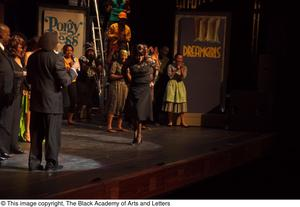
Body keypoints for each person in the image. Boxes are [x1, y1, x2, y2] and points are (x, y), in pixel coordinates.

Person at [26, 31, 77, 171]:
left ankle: (34, 163)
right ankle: (51, 163)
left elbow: (28, 80)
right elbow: (65, 81)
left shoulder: (32, 57)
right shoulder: (56, 59)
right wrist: (73, 70)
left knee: (36, 135)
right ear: (53, 43)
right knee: (52, 135)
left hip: (37, 102)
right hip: (52, 104)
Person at [125, 44, 153, 145]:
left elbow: (157, 67)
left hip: (144, 90)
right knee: (134, 113)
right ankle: (135, 134)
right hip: (134, 88)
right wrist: (129, 80)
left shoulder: (148, 62)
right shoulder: (130, 62)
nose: (139, 57)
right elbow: (125, 71)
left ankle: (139, 134)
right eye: (137, 55)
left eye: (140, 55)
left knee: (139, 112)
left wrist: (153, 81)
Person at [6, 34, 28, 154]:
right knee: (8, 121)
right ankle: (5, 146)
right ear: (14, 47)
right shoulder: (8, 59)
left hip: (19, 93)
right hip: (9, 93)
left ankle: (14, 145)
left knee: (16, 120)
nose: (21, 49)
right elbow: (11, 74)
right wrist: (24, 74)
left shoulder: (21, 59)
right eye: (20, 47)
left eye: (22, 47)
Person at [19, 36, 40, 143]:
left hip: (38, 85)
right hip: (29, 84)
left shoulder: (40, 54)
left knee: (35, 110)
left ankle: (34, 132)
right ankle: (27, 132)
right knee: (29, 110)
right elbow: (28, 70)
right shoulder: (29, 54)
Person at [162, 53, 188, 127]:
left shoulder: (185, 67)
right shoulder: (170, 66)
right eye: (178, 58)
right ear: (175, 59)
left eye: (181, 58)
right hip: (172, 85)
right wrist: (176, 68)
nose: (179, 60)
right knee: (170, 102)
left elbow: (183, 77)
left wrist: (181, 69)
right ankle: (170, 121)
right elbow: (170, 76)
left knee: (182, 103)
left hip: (180, 85)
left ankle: (182, 121)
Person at [77, 43, 102, 120]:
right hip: (83, 81)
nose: (91, 53)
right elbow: (84, 68)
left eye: (92, 51)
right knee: (82, 98)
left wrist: (94, 67)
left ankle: (88, 114)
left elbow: (99, 69)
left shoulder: (96, 60)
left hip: (92, 81)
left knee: (90, 98)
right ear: (86, 52)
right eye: (89, 51)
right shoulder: (83, 58)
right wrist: (93, 67)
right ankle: (80, 115)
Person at [106, 49, 129, 133]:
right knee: (113, 104)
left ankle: (119, 126)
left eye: (125, 57)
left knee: (122, 105)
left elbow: (129, 76)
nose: (123, 58)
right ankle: (109, 126)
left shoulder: (127, 65)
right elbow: (111, 75)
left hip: (124, 86)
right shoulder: (115, 63)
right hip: (115, 85)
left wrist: (128, 75)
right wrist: (121, 76)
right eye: (122, 56)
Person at [0, 23, 13, 163]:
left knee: (2, 123)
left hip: (4, 94)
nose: (9, 37)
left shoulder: (4, 50)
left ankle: (1, 149)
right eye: (7, 34)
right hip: (1, 94)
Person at [63, 44, 80, 125]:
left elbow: (78, 70)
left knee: (74, 100)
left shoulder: (75, 59)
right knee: (65, 101)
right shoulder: (61, 59)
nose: (69, 52)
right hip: (64, 82)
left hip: (73, 82)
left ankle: (70, 119)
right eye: (67, 50)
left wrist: (73, 65)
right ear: (64, 51)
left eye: (71, 50)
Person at [153, 46, 170, 125]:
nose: (165, 52)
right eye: (164, 50)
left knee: (158, 101)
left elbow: (163, 72)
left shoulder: (167, 60)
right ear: (160, 50)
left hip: (160, 83)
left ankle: (155, 119)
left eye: (166, 51)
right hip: (152, 81)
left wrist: (158, 68)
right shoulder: (154, 57)